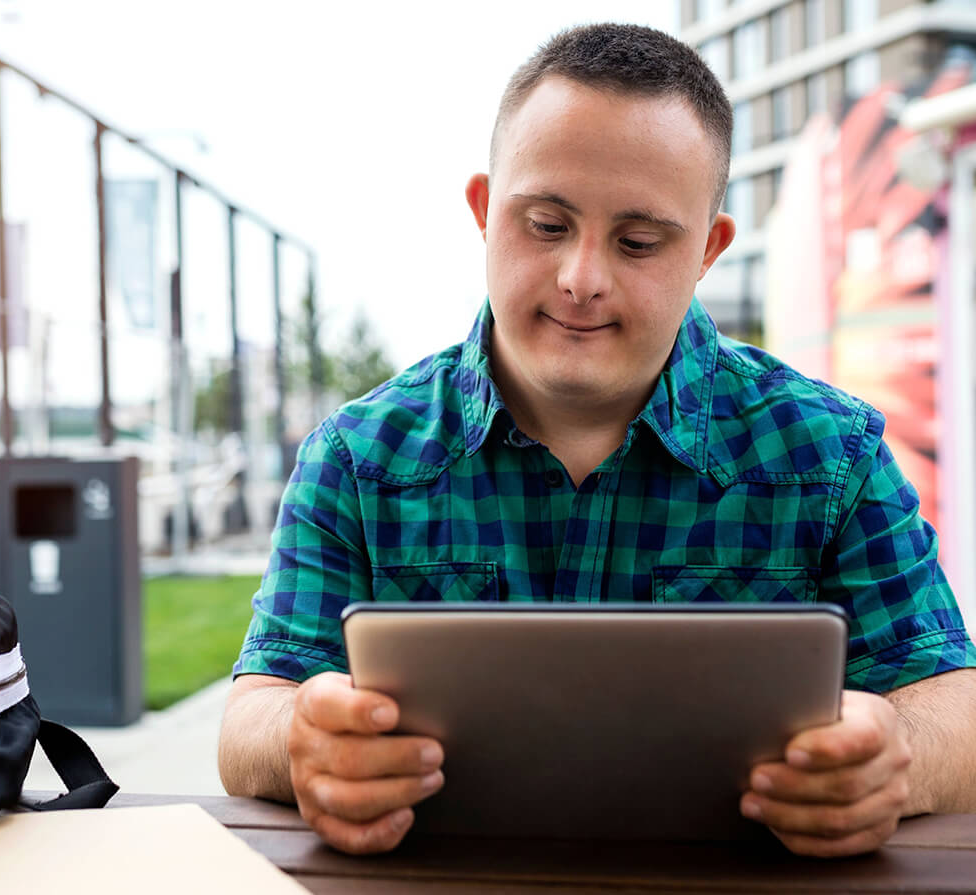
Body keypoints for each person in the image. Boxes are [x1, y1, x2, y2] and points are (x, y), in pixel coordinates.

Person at [218, 23, 976, 858]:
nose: (582, 277)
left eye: (638, 241)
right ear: (482, 211)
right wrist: (305, 738)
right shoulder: (357, 458)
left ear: (707, 251)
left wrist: (891, 760)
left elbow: (952, 710)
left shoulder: (830, 454)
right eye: (545, 224)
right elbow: (251, 718)